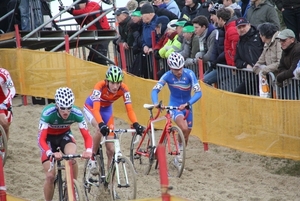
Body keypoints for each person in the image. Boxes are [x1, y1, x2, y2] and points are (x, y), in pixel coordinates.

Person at [83, 66, 144, 174]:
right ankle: (92, 159)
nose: (115, 86)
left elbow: (129, 110)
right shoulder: (99, 86)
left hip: (107, 111)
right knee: (99, 129)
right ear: (107, 81)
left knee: (111, 149)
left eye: (118, 83)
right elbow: (96, 110)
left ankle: (109, 180)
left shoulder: (124, 89)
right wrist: (101, 124)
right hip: (92, 108)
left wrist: (136, 124)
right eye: (112, 83)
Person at [37, 87, 93, 201]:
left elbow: (87, 136)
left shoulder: (76, 113)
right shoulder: (48, 113)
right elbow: (41, 139)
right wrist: (50, 153)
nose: (66, 112)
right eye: (62, 108)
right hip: (48, 139)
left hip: (64, 136)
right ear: (57, 105)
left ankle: (72, 186)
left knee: (72, 157)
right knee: (50, 176)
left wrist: (88, 151)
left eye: (69, 108)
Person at [151, 52, 202, 164]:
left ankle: (179, 154)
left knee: (187, 133)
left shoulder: (189, 74)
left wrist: (188, 103)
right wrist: (156, 102)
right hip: (175, 106)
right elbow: (155, 90)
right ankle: (179, 155)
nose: (179, 72)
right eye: (176, 69)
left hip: (187, 106)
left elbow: (198, 93)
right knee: (183, 128)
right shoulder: (167, 76)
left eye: (180, 68)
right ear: (170, 68)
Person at [63, 0, 110, 65]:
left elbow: (86, 12)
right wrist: (73, 13)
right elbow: (81, 22)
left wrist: (73, 11)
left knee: (99, 58)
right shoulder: (84, 11)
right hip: (96, 35)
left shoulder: (92, 4)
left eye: (77, 6)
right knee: (92, 58)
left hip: (103, 34)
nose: (77, 8)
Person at [234, 17, 263, 94]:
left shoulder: (259, 36)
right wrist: (246, 65)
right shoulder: (239, 43)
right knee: (236, 94)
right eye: (239, 27)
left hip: (264, 75)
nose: (242, 29)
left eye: (244, 26)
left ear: (249, 25)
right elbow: (237, 60)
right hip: (250, 77)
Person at [0, 68, 15, 141]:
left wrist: (5, 102)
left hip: (3, 102)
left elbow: (12, 90)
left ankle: (3, 149)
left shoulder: (4, 73)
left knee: (5, 125)